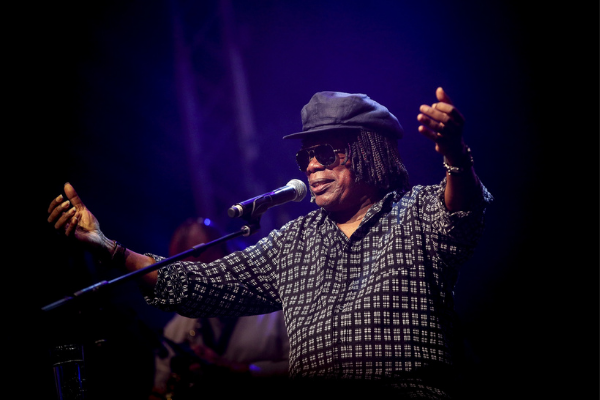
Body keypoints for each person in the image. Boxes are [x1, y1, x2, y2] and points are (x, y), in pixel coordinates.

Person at [48, 87, 493, 399]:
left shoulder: (415, 213)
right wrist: (108, 247)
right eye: (305, 156)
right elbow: (196, 285)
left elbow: (463, 212)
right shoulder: (294, 242)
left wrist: (454, 153)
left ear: (368, 151)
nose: (312, 166)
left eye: (326, 153)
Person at [151, 218, 289, 400]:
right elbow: (160, 389)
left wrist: (243, 371)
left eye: (202, 270)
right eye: (186, 278)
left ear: (228, 256)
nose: (194, 284)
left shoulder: (280, 308)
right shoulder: (174, 332)